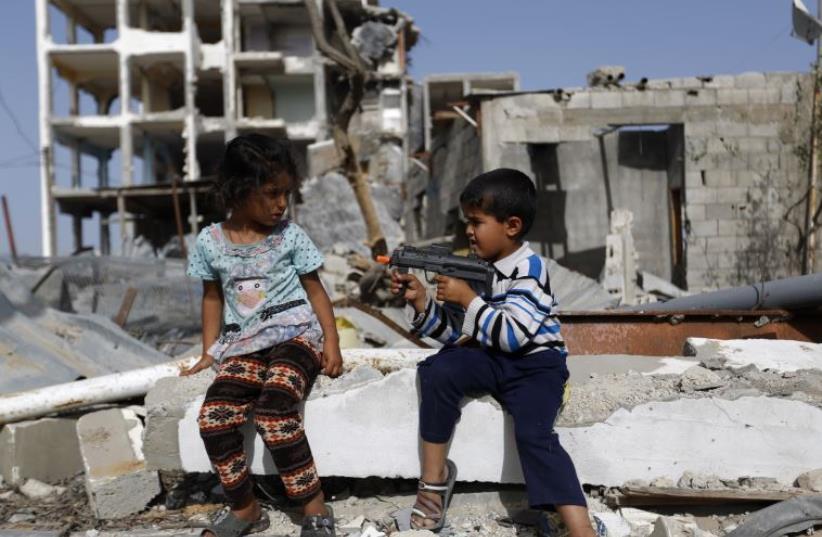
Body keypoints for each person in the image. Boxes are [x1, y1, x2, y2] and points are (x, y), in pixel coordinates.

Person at [391, 168, 598, 537]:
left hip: (537, 366)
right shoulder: (481, 269)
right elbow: (460, 335)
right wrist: (422, 303)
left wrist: (467, 298)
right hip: (494, 359)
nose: (468, 231)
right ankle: (433, 485)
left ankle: (579, 526)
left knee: (534, 436)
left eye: (476, 222)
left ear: (512, 225)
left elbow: (514, 336)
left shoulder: (530, 269)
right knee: (438, 370)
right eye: (467, 222)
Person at [182, 134, 342, 537]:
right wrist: (209, 352)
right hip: (244, 344)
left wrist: (332, 342)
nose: (280, 204)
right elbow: (212, 297)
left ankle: (313, 507)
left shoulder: (289, 236)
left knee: (275, 409)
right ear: (239, 189)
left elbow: (316, 290)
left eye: (286, 193)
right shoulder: (210, 242)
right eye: (271, 193)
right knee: (214, 418)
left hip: (295, 337)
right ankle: (245, 508)